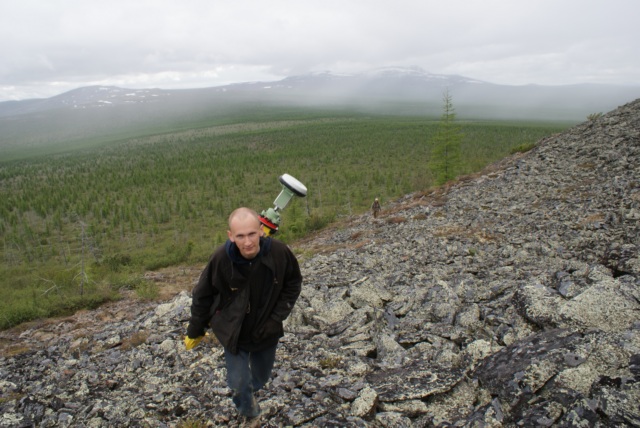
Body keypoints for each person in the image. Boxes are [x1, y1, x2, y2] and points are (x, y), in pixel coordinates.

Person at [184, 207, 303, 421]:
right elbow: (202, 295)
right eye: (240, 236)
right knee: (238, 383)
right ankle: (251, 414)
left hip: (266, 329)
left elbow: (293, 283)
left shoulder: (279, 253)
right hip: (233, 331)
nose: (247, 242)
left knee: (261, 377)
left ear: (261, 231)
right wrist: (195, 329)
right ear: (230, 236)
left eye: (251, 234)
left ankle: (251, 390)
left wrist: (276, 318)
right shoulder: (221, 259)